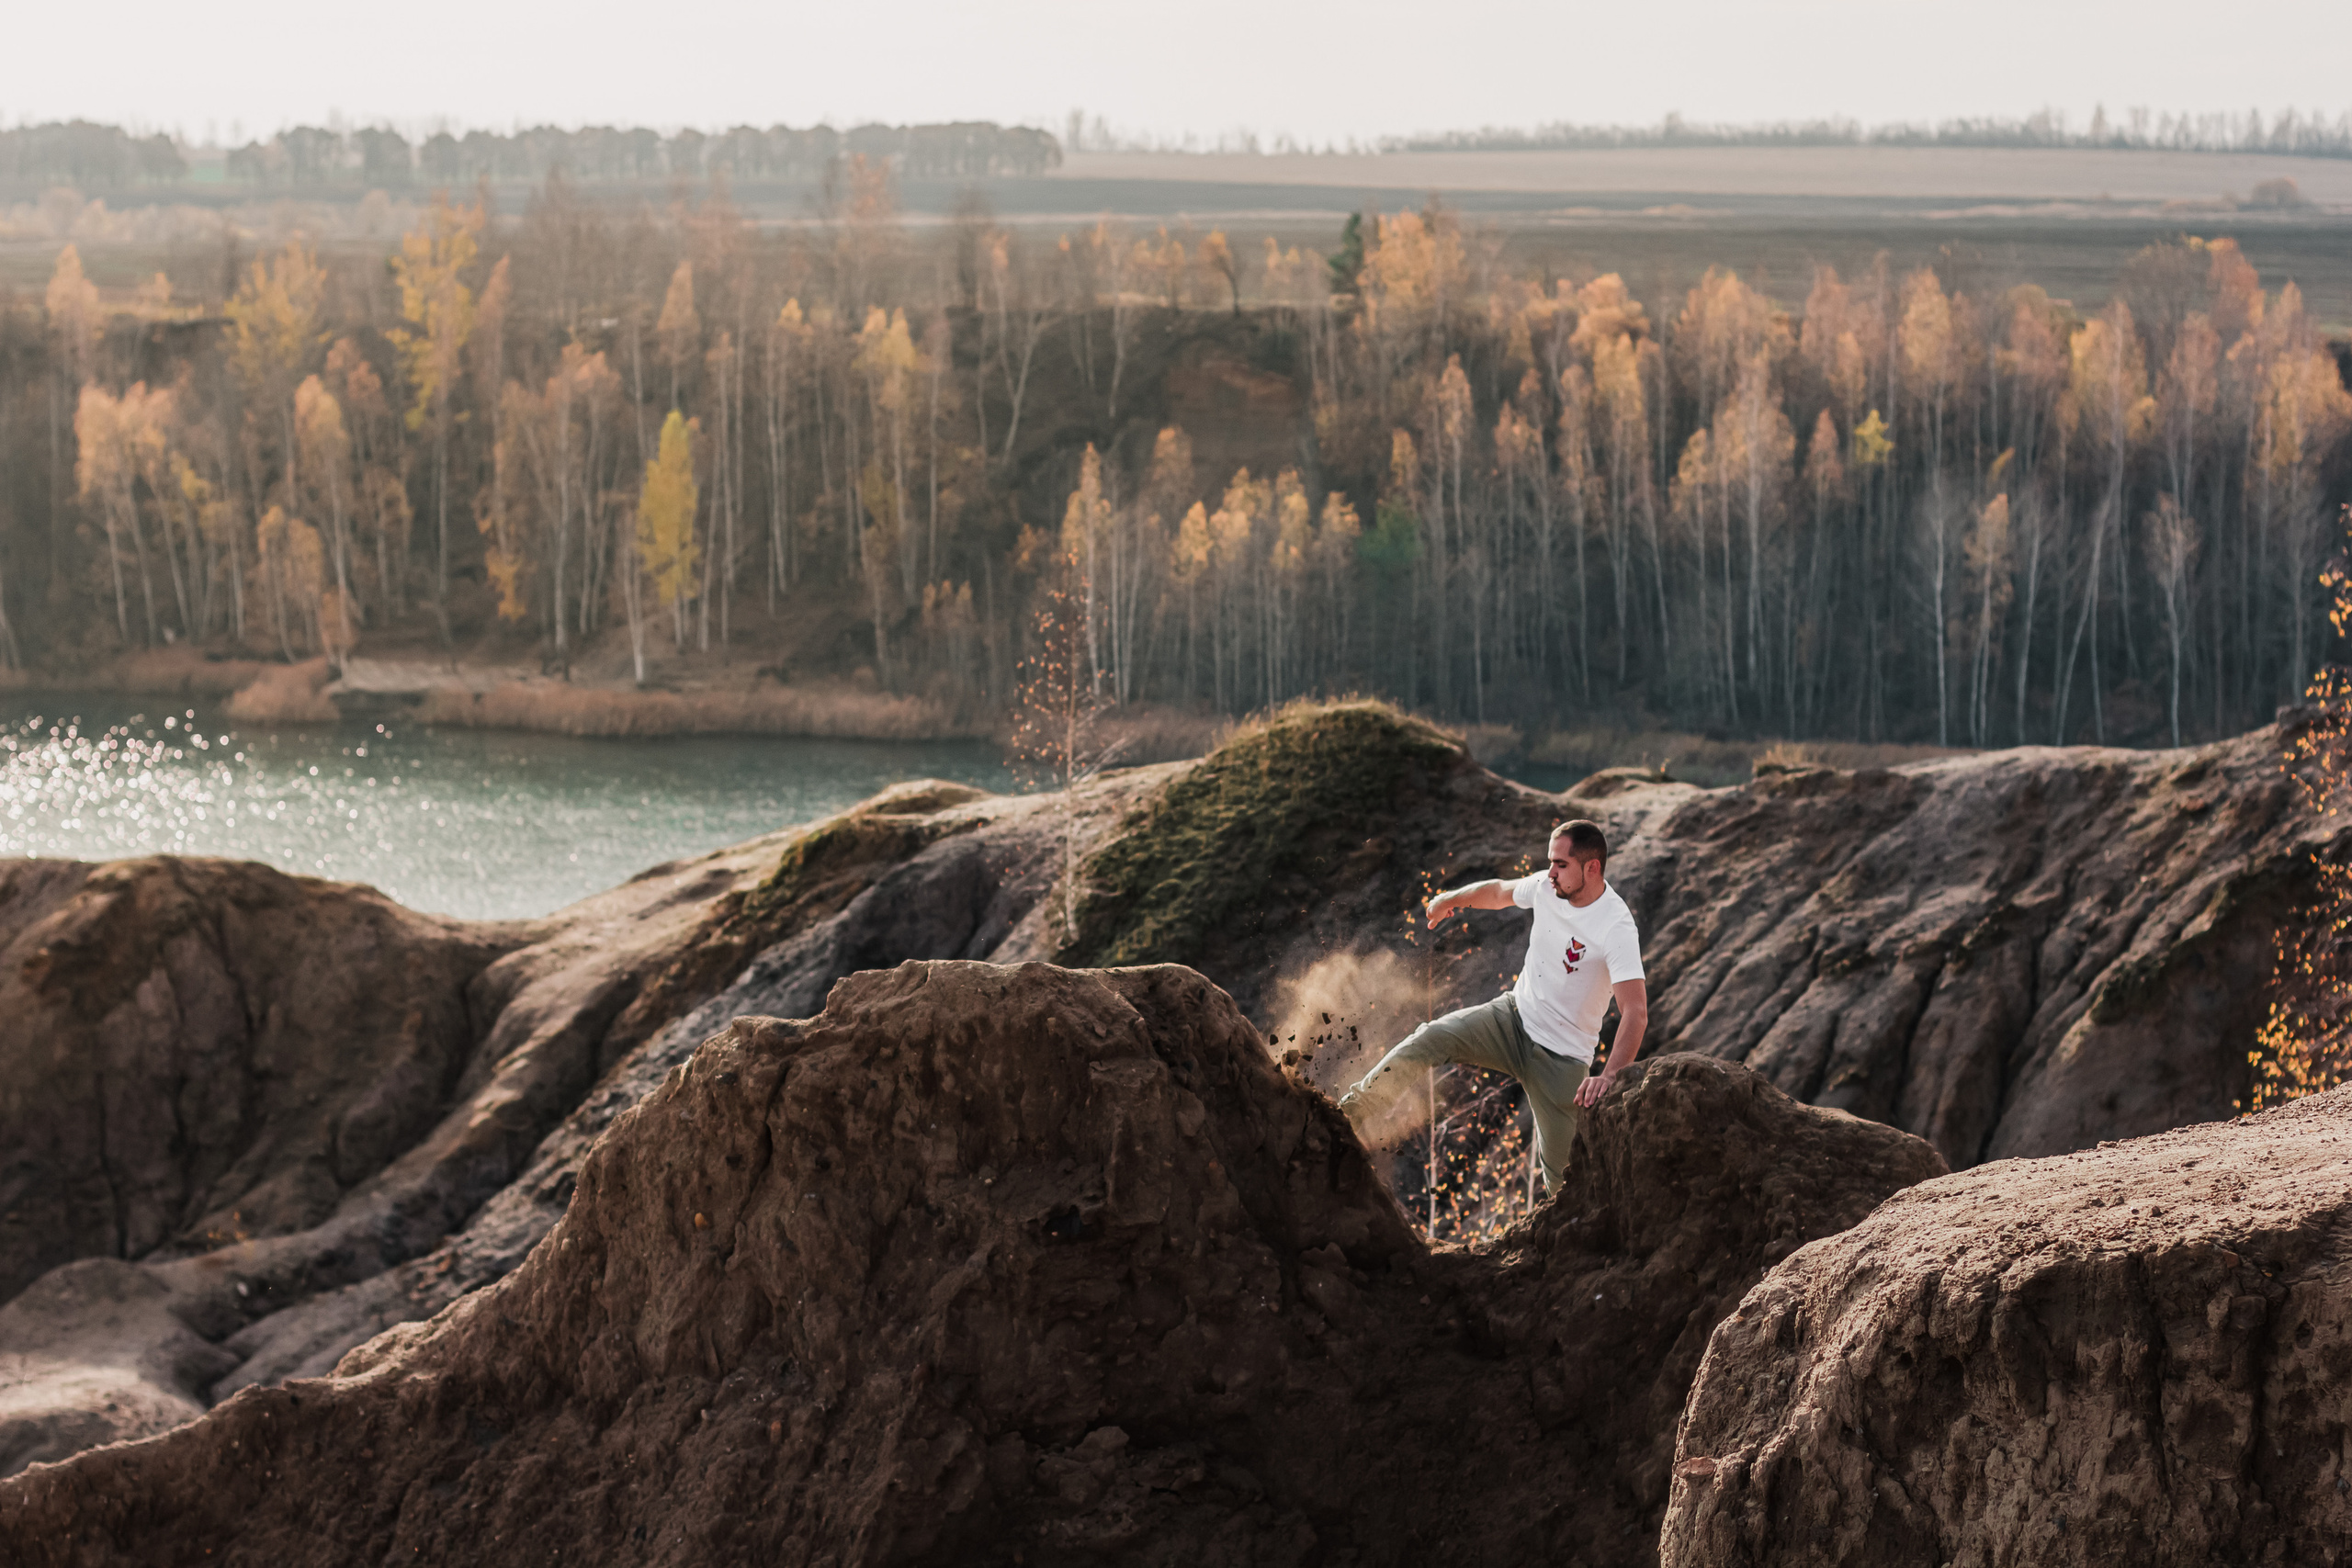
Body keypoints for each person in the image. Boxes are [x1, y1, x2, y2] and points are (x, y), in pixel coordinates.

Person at [1336, 818, 1647, 1194]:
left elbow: (1635, 1011)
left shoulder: (1616, 926)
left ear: (1592, 867)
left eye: (1561, 864)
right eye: (1550, 862)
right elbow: (1500, 892)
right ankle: (1347, 1114)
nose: (1551, 872)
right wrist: (1453, 899)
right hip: (1511, 1019)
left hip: (1562, 1060)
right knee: (1430, 1038)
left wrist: (1610, 1075)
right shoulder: (1549, 888)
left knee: (1563, 1182)